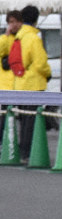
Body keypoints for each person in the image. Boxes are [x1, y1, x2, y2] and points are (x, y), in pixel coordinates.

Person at [10, 5, 51, 160]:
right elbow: (41, 63)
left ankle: (22, 151)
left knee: (24, 120)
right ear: (36, 19)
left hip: (20, 83)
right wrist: (48, 73)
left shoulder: (19, 36)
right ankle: (29, 152)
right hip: (34, 83)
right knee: (32, 121)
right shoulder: (33, 37)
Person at [0, 10, 23, 141]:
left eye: (16, 21)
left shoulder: (23, 37)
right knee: (5, 115)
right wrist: (5, 36)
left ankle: (14, 142)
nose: (13, 25)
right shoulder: (5, 38)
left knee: (21, 116)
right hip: (7, 83)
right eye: (11, 22)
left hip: (20, 82)